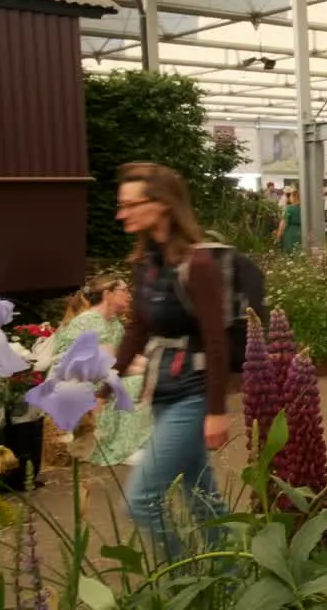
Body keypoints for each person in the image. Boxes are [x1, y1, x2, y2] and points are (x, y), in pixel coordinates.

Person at [112, 163, 229, 557]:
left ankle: (182, 576)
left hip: (192, 397)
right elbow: (136, 330)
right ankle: (229, 575)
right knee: (201, 494)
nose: (121, 213)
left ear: (162, 205)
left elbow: (216, 342)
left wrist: (216, 411)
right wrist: (104, 384)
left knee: (141, 499)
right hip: (162, 394)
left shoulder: (197, 265)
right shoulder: (145, 264)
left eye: (131, 204)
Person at [48, 275, 151, 467]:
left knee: (149, 380)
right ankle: (120, 448)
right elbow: (111, 364)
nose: (129, 296)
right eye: (124, 290)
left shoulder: (113, 323)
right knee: (136, 383)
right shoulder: (91, 320)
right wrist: (150, 368)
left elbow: (124, 361)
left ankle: (139, 441)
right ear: (108, 294)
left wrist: (154, 367)